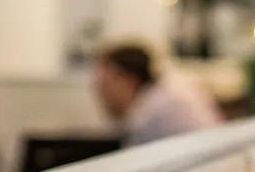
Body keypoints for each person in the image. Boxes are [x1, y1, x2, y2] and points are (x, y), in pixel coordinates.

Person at [91, 41, 221, 145]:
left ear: (128, 80)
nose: (102, 98)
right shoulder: (166, 92)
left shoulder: (147, 114)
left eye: (104, 86)